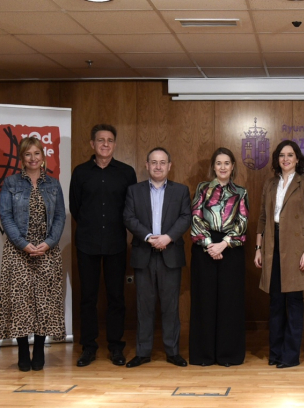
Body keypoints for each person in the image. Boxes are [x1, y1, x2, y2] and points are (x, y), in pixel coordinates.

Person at [70, 124, 137, 367]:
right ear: (92, 144)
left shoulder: (126, 172)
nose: (105, 144)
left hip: (116, 243)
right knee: (88, 297)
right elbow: (76, 208)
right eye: (100, 140)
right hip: (87, 243)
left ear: (115, 144)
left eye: (110, 140)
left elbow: (131, 208)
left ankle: (116, 346)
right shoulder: (80, 172)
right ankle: (88, 347)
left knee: (116, 297)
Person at [0, 137, 66, 372]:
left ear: (43, 156)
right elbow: (5, 216)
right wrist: (23, 244)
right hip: (18, 252)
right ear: (22, 158)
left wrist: (48, 243)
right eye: (28, 154)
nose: (33, 158)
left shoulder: (53, 184)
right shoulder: (10, 183)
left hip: (47, 251)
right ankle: (22, 350)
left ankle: (39, 349)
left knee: (44, 301)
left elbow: (60, 217)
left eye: (37, 153)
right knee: (20, 302)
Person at [123, 147, 191, 368]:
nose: (158, 166)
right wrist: (149, 237)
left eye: (163, 162)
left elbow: (185, 217)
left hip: (170, 254)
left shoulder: (181, 191)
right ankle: (143, 352)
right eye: (154, 162)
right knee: (144, 306)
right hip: (144, 253)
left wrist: (168, 238)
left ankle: (172, 351)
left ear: (169, 166)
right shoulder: (134, 190)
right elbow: (129, 217)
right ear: (146, 165)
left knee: (171, 306)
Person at [254, 140, 304, 369]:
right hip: (272, 244)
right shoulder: (270, 184)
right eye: (282, 155)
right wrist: (259, 248)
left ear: (298, 158)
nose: (286, 159)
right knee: (275, 304)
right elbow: (262, 218)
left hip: (296, 247)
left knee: (293, 304)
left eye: (290, 155)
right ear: (277, 159)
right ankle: (275, 353)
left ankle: (290, 356)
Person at [189, 147, 249, 367]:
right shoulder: (202, 188)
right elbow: (195, 217)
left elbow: (242, 224)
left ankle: (228, 355)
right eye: (218, 163)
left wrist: (222, 245)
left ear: (233, 166)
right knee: (204, 301)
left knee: (229, 303)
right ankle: (204, 355)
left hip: (230, 250)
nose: (222, 167)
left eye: (227, 163)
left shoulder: (241, 192)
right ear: (213, 167)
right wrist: (209, 245)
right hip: (204, 250)